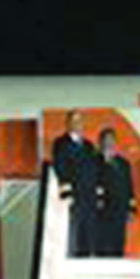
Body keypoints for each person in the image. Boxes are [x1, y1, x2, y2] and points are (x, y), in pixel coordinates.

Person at [50, 110, 97, 257]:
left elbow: (94, 170)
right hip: (73, 197)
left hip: (88, 197)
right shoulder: (60, 143)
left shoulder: (89, 146)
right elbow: (60, 167)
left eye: (80, 121)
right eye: (74, 120)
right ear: (68, 123)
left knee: (87, 233)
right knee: (72, 232)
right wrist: (67, 193)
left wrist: (97, 193)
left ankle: (86, 261)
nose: (77, 124)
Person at [89, 127, 136, 258]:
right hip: (102, 211)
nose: (110, 143)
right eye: (107, 140)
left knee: (118, 246)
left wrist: (131, 209)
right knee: (102, 247)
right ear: (101, 142)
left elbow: (129, 187)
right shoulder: (94, 161)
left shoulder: (124, 163)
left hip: (120, 211)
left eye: (112, 140)